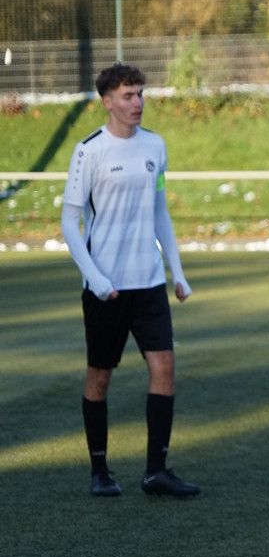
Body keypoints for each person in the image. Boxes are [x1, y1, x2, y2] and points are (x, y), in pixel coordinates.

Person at [60, 63, 200, 498]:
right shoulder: (89, 151)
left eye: (140, 94)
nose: (137, 102)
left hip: (148, 283)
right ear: (107, 102)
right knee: (100, 377)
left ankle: (156, 471)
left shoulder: (155, 145)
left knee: (165, 366)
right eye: (127, 95)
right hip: (106, 288)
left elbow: (160, 212)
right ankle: (99, 472)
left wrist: (177, 272)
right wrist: (96, 279)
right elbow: (69, 222)